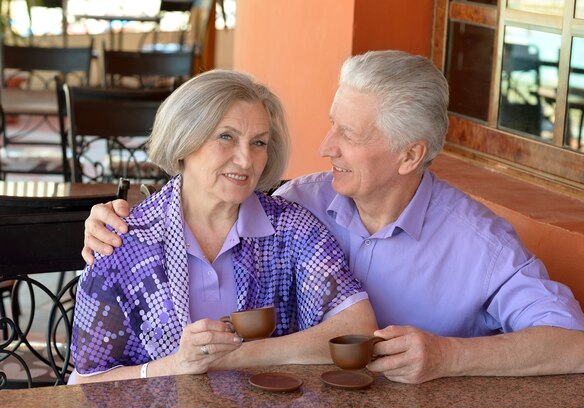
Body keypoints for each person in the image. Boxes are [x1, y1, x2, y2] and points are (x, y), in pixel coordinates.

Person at [82, 51, 584, 385]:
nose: (325, 148)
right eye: (332, 126)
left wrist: (447, 357)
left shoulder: (479, 243)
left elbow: (575, 348)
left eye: (348, 134)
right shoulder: (299, 203)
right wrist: (116, 221)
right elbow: (204, 197)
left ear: (409, 156)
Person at [70, 69, 377, 384]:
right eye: (226, 137)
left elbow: (357, 328)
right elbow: (85, 384)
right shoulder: (124, 241)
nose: (246, 160)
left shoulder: (290, 229)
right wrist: (177, 365)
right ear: (184, 140)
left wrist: (234, 357)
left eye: (258, 143)